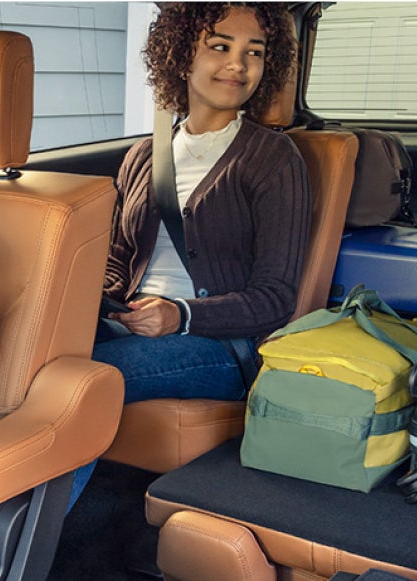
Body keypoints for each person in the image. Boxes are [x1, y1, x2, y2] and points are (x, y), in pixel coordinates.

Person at [67, 2, 311, 507]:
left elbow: (276, 298)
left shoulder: (272, 159)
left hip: (220, 348)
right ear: (181, 55)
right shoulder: (143, 157)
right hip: (130, 325)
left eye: (254, 53)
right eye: (220, 46)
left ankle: (13, 546)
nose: (238, 65)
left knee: (79, 384)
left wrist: (179, 315)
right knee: (31, 356)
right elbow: (118, 260)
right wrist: (96, 303)